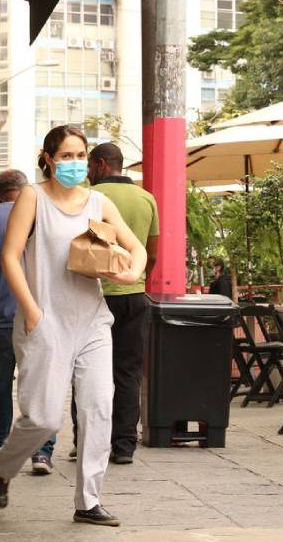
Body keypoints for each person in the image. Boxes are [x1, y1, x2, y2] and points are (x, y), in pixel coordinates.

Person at [0, 126, 147, 527]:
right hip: (44, 320)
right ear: (48, 157)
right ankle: (3, 466)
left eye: (81, 155)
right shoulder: (33, 196)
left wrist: (131, 275)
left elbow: (137, 248)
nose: (75, 163)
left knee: (98, 407)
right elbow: (10, 257)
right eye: (67, 156)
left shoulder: (98, 201)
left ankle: (88, 500)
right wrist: (32, 310)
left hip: (92, 320)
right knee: (42, 419)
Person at [0, 170, 57, 474]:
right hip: (40, 314)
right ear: (25, 190)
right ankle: (41, 453)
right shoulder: (42, 215)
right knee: (41, 383)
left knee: (0, 381)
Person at [86, 142, 159, 465]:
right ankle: (125, 446)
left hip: (93, 295)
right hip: (133, 295)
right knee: (128, 373)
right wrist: (137, 277)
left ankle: (85, 442)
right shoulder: (146, 198)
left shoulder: (89, 198)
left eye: (88, 164)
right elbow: (152, 252)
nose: (86, 171)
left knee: (86, 372)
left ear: (101, 165)